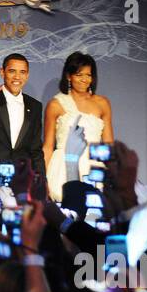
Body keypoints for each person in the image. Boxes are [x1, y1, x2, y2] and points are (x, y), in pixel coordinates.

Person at [44, 51, 113, 202]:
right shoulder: (56, 104)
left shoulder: (102, 103)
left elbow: (109, 145)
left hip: (94, 166)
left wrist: (113, 176)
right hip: (62, 167)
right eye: (79, 75)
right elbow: (48, 147)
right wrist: (43, 180)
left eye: (88, 75)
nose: (84, 80)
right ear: (69, 76)